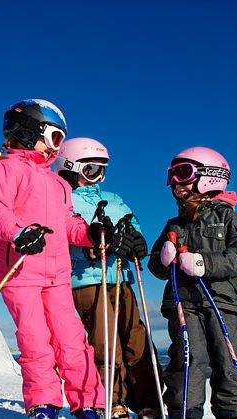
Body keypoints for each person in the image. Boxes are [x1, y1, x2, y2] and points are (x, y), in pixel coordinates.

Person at [0, 99, 107, 419]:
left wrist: (90, 233)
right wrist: (18, 233)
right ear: (32, 132)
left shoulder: (58, 183)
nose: (57, 148)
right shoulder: (4, 170)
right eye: (55, 138)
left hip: (58, 274)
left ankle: (88, 403)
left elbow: (67, 223)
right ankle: (43, 403)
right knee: (35, 340)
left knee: (72, 340)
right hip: (20, 270)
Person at [54, 138, 163, 419]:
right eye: (91, 170)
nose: (98, 178)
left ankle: (147, 400)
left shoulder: (113, 199)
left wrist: (135, 242)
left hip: (121, 276)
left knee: (135, 338)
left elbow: (133, 225)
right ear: (70, 166)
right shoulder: (60, 199)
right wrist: (92, 246)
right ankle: (111, 400)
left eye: (103, 170)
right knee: (105, 340)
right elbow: (62, 241)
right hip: (87, 279)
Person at [147, 146, 237, 419]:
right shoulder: (174, 225)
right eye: (172, 176)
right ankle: (185, 412)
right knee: (187, 361)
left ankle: (231, 413)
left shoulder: (227, 218)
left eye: (182, 174)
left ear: (210, 177)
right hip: (183, 303)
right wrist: (162, 259)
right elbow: (155, 267)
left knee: (228, 362)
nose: (175, 183)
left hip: (223, 301)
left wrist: (205, 264)